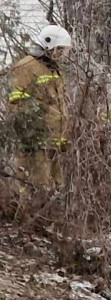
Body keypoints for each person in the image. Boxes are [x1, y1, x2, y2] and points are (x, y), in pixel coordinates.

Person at [7, 25, 71, 190]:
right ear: (49, 45)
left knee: (56, 188)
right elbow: (16, 104)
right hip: (35, 143)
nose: (62, 55)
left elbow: (60, 104)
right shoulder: (26, 67)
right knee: (36, 187)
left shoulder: (54, 70)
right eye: (60, 50)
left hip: (54, 143)